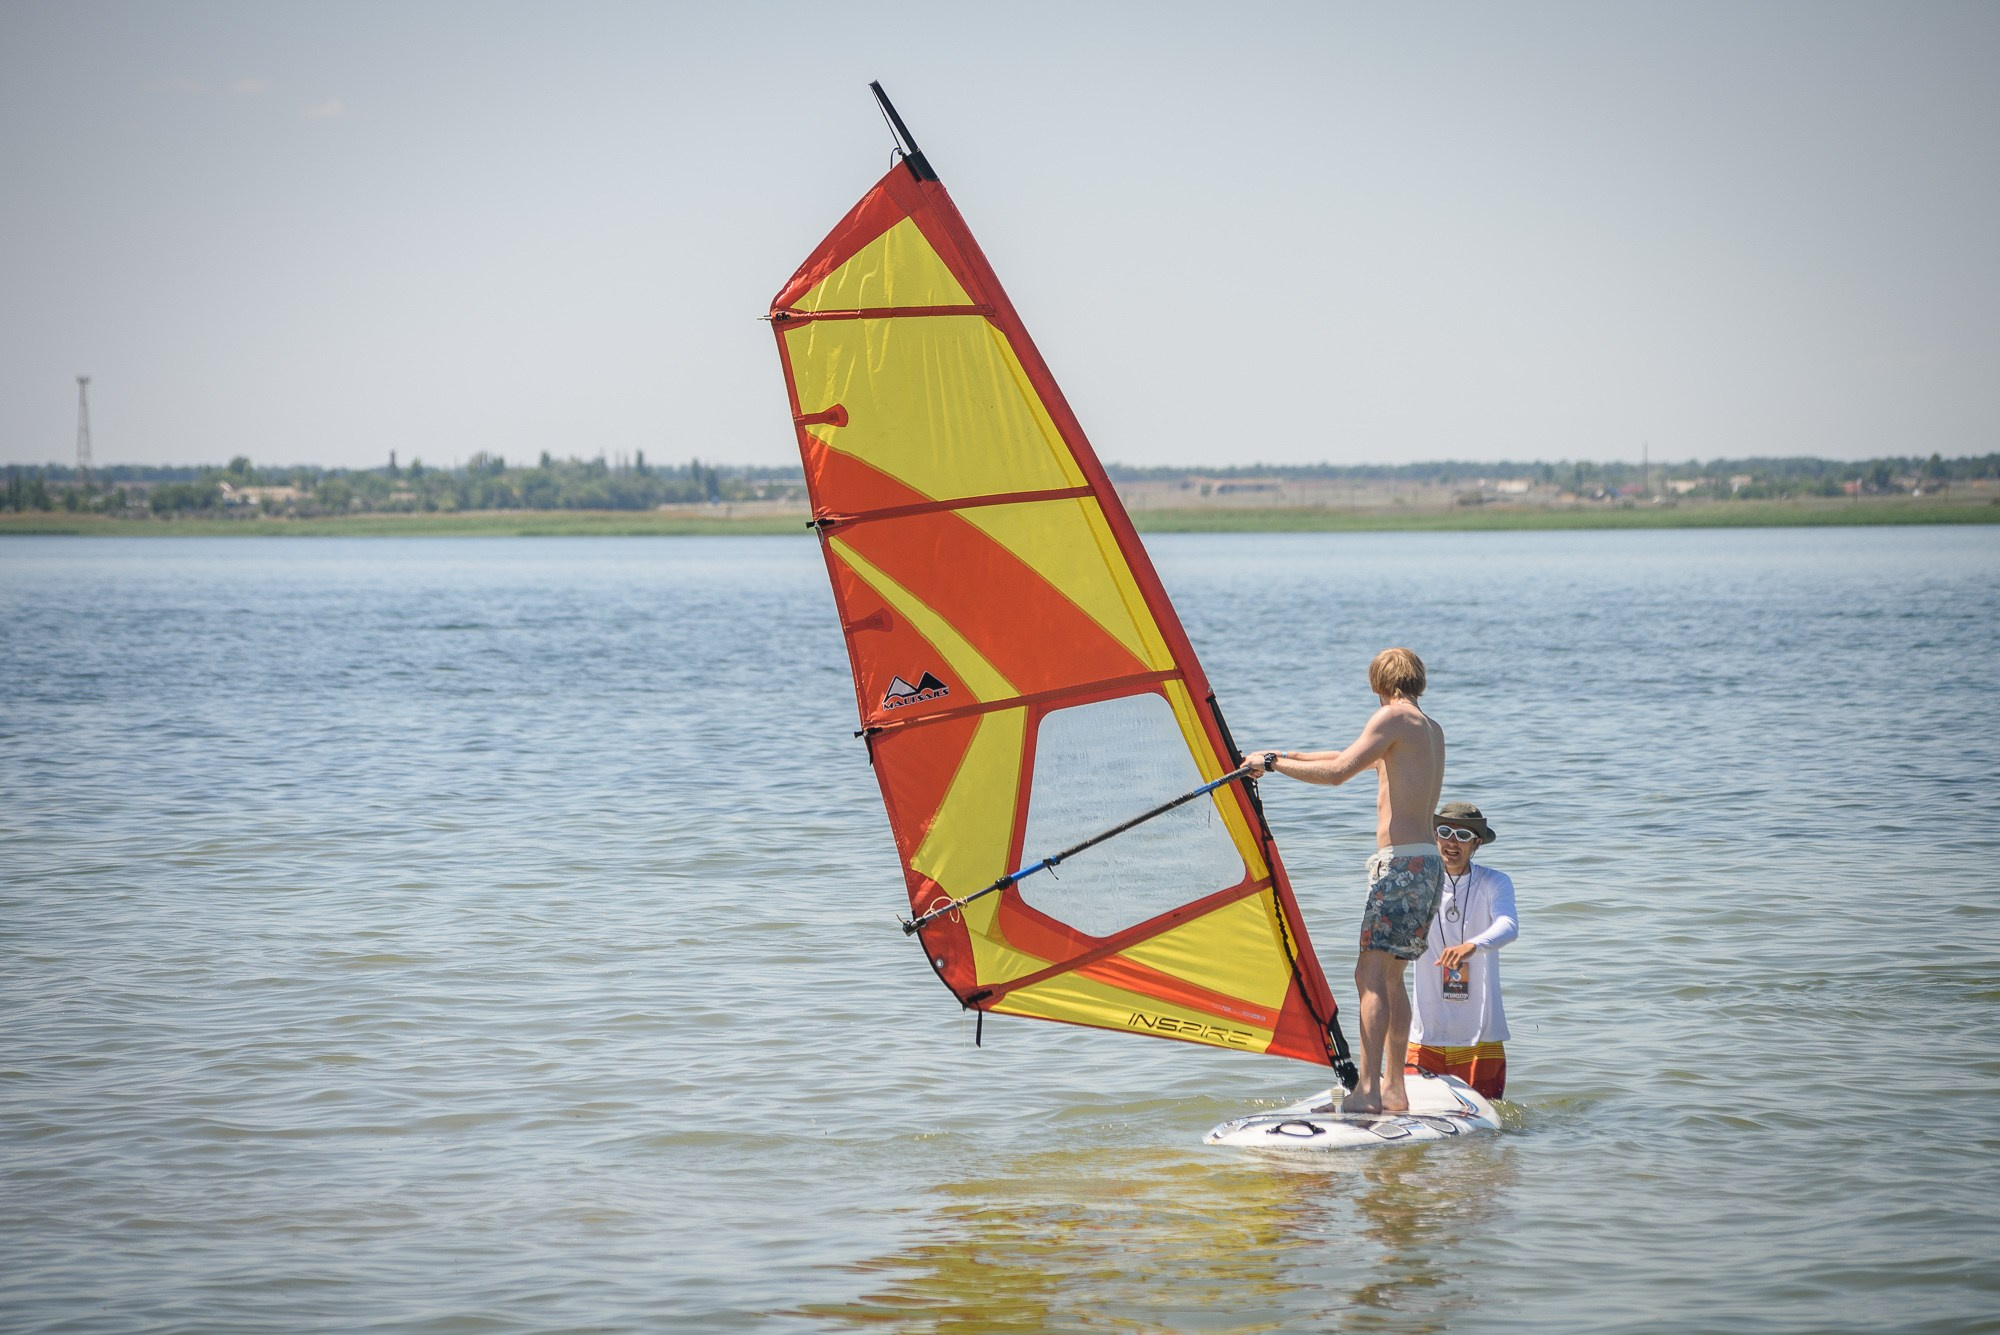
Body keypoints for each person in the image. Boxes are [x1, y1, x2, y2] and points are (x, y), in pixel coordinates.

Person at [1247, 647, 1445, 1113]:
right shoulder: (1427, 727)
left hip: (1399, 867)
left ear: (1379, 684)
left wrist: (1272, 767)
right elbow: (1347, 756)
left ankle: (1369, 1092)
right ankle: (1394, 1089)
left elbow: (1337, 773)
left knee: (1369, 974)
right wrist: (1282, 755)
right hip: (1426, 865)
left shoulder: (1392, 718)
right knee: (1392, 977)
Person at [1407, 801, 1517, 1100]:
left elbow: (1509, 925)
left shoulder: (1494, 882)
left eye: (1463, 835)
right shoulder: (1416, 882)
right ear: (1434, 837)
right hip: (1424, 1036)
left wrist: (1473, 945)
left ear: (1476, 843)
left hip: (1481, 1037)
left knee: (1480, 1141)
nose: (1452, 842)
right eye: (1445, 832)